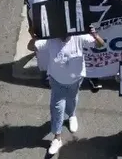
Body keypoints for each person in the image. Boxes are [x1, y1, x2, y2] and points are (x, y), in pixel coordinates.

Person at [44, 25, 106, 156]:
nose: (64, 35)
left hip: (75, 80)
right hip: (57, 81)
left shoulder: (79, 36)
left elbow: (101, 45)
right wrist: (34, 34)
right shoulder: (50, 39)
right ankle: (57, 137)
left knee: (72, 98)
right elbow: (32, 47)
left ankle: (72, 115)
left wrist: (94, 34)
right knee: (57, 107)